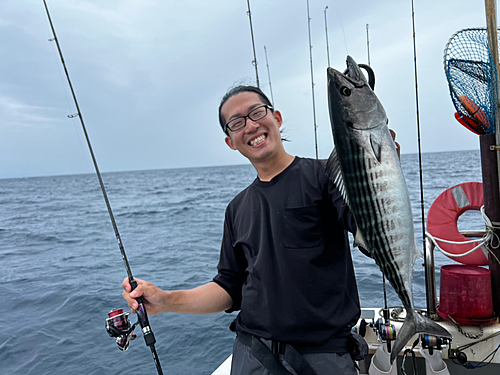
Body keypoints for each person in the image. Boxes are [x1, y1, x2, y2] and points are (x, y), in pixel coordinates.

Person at [122, 85, 399, 374]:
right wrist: (165, 300)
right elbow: (228, 289)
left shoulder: (326, 176)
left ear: (276, 117)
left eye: (257, 112)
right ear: (230, 141)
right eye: (237, 122)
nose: (251, 125)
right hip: (251, 355)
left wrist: (380, 174)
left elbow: (370, 230)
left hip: (323, 356)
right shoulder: (236, 208)